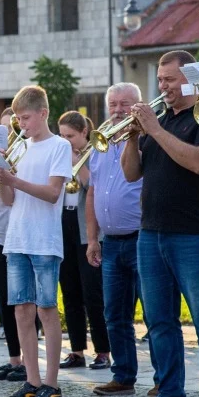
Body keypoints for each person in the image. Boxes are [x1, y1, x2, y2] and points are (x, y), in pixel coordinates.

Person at [121, 50, 199, 397]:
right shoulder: (160, 120)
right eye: (161, 79)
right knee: (159, 321)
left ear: (190, 80)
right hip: (151, 233)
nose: (163, 86)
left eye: (170, 79)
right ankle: (170, 396)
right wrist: (133, 137)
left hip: (195, 235)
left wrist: (153, 129)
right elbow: (131, 174)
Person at [0, 85, 73, 397]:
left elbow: (53, 193)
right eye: (19, 119)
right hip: (17, 237)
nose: (21, 124)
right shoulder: (19, 148)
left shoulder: (60, 146)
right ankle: (32, 381)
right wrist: (1, 179)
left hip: (44, 239)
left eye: (26, 118)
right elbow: (10, 201)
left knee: (46, 310)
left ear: (43, 113)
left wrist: (14, 181)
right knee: (21, 310)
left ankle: (52, 386)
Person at [87, 83, 158, 397]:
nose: (117, 109)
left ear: (139, 105)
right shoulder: (99, 143)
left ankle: (163, 381)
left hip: (143, 236)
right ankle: (123, 375)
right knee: (114, 314)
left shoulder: (148, 138)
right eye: (112, 104)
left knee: (154, 312)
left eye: (125, 103)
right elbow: (92, 192)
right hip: (111, 242)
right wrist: (92, 238)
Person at [56, 111, 110, 370]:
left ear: (83, 134)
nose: (66, 141)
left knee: (93, 293)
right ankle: (76, 350)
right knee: (70, 291)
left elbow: (94, 187)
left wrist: (77, 163)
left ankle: (103, 351)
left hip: (86, 226)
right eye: (62, 136)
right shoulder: (59, 154)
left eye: (71, 136)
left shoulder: (94, 152)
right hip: (62, 225)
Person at [0, 108, 28, 383]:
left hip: (23, 233)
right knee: (3, 296)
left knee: (22, 300)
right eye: (3, 130)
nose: (9, 136)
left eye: (12, 129)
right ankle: (14, 359)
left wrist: (6, 175)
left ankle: (28, 360)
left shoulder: (26, 153)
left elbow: (12, 198)